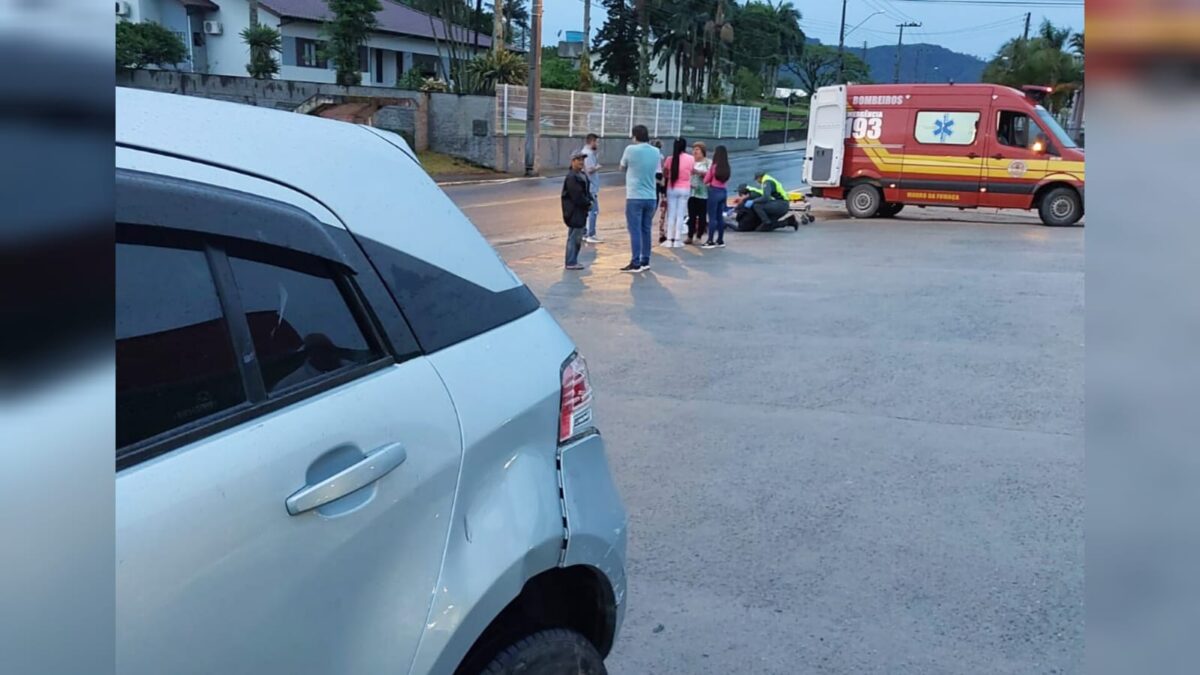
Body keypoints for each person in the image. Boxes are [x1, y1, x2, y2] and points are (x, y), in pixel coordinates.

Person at [619, 124, 661, 273]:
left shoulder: (630, 149)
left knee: (635, 230)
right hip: (651, 196)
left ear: (635, 136)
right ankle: (645, 260)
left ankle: (635, 261)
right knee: (646, 229)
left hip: (634, 196)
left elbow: (622, 167)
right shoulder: (656, 151)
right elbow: (658, 171)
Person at [561, 151, 593, 270]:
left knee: (576, 237)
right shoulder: (572, 177)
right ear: (572, 161)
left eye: (582, 160)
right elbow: (577, 196)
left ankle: (572, 260)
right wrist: (588, 203)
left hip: (580, 211)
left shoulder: (581, 175)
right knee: (574, 238)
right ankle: (571, 262)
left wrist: (590, 200)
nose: (581, 162)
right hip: (574, 212)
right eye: (578, 159)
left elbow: (586, 192)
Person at [662, 137, 694, 248]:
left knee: (671, 215)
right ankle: (677, 240)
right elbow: (692, 171)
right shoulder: (690, 159)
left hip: (672, 188)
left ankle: (669, 239)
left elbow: (665, 173)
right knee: (680, 215)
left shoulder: (669, 159)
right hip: (685, 188)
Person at [702, 144, 731, 249]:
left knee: (712, 217)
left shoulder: (714, 167)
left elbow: (706, 180)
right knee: (720, 217)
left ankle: (710, 240)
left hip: (714, 192)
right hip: (724, 192)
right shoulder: (727, 167)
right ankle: (720, 240)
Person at [580, 133, 603, 243]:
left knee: (586, 211)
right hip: (591, 187)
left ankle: (584, 232)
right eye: (597, 142)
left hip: (588, 186)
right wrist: (597, 167)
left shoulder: (586, 153)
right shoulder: (588, 154)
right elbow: (589, 170)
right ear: (592, 141)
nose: (598, 144)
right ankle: (591, 234)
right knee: (593, 211)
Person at [686, 142, 710, 245]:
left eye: (697, 150)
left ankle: (699, 235)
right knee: (691, 215)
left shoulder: (708, 162)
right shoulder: (691, 161)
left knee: (702, 215)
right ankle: (690, 235)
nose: (695, 152)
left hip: (703, 192)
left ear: (703, 152)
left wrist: (699, 172)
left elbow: (710, 175)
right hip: (691, 192)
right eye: (694, 149)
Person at [652, 139, 668, 244]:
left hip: (654, 178)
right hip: (660, 178)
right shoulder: (661, 156)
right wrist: (662, 180)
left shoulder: (651, 155)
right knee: (663, 206)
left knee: (654, 204)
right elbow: (663, 169)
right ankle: (662, 233)